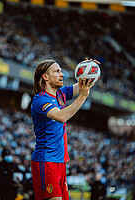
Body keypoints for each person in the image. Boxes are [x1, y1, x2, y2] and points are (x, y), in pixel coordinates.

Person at [31, 59, 99, 200]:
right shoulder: (40, 100)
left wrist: (91, 70)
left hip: (60, 163)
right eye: (57, 71)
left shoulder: (60, 94)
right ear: (46, 77)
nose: (62, 75)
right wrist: (82, 98)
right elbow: (61, 116)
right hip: (46, 161)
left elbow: (83, 84)